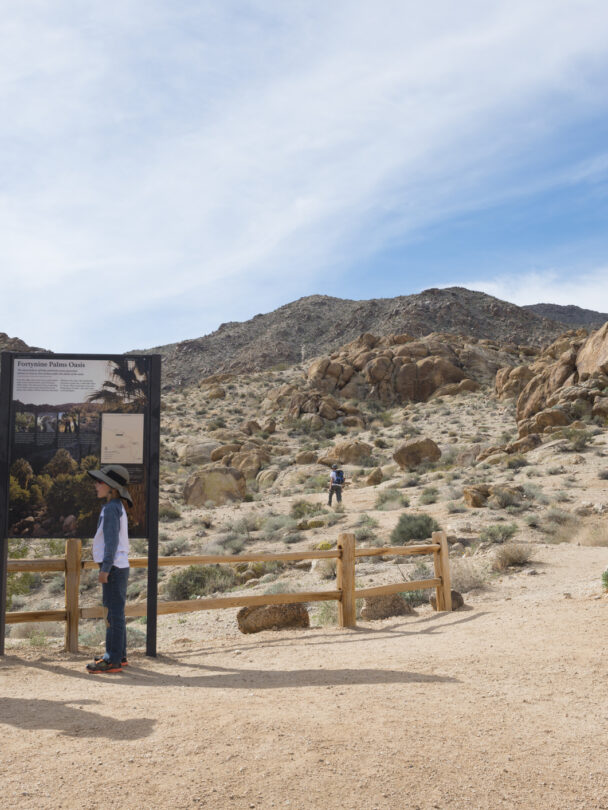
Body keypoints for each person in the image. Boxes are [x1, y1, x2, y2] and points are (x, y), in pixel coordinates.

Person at [85, 465, 132, 674]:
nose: (96, 485)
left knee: (113, 615)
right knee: (116, 613)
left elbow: (111, 542)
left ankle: (111, 660)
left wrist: (104, 569)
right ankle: (119, 656)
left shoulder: (111, 508)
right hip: (118, 566)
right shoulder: (116, 506)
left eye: (100, 482)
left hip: (113, 568)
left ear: (111, 487)